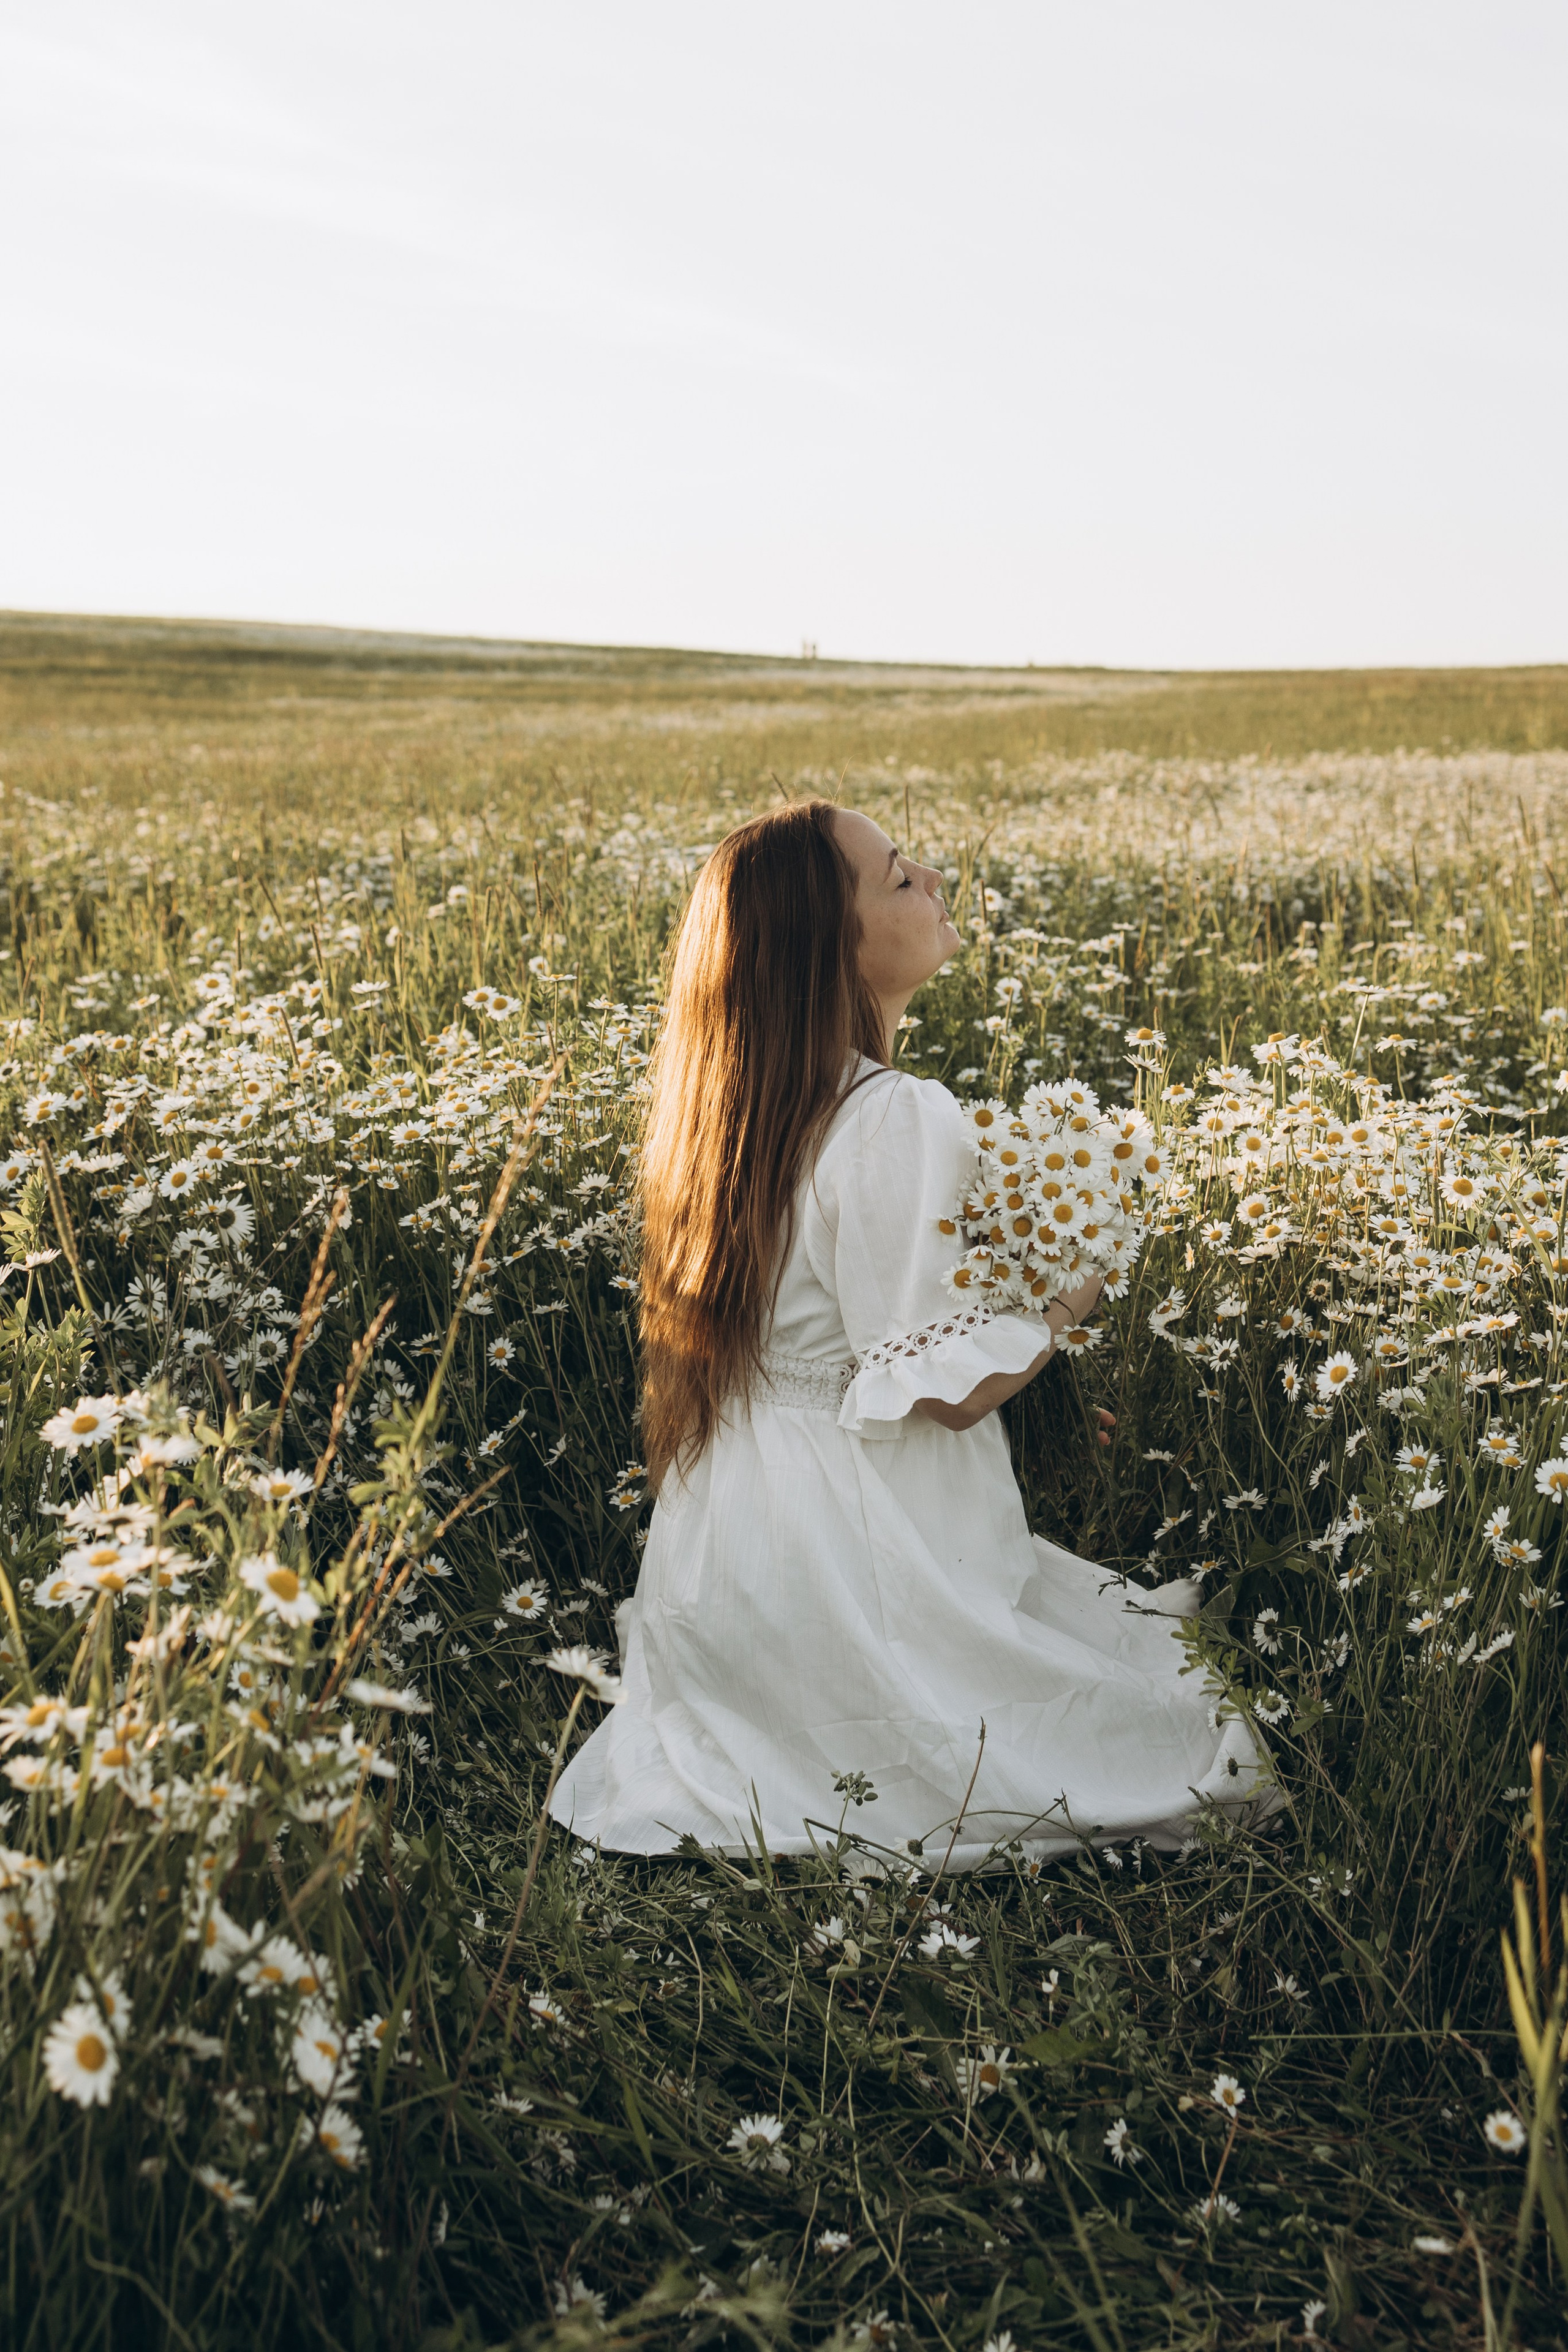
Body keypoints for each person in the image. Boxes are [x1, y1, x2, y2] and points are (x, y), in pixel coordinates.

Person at [550, 801, 1272, 1869]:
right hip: (847, 1559)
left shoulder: (725, 1117)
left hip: (732, 1569)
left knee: (1109, 1658)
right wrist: (1077, 1283)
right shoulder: (892, 1113)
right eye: (896, 878)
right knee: (1185, 1739)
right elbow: (951, 1393)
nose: (932, 876)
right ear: (827, 951)